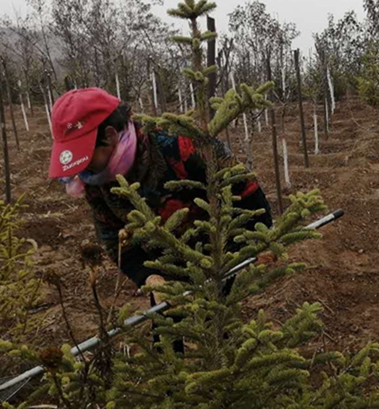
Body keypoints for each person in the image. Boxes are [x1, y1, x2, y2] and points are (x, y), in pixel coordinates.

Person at [48, 88, 273, 300]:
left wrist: (256, 241)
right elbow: (115, 240)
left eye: (85, 156)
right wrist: (150, 278)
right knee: (167, 322)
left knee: (222, 315)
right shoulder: (93, 182)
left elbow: (245, 189)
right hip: (166, 271)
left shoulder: (178, 143)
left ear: (110, 135)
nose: (82, 169)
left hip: (222, 254)